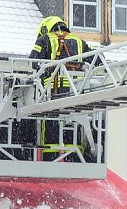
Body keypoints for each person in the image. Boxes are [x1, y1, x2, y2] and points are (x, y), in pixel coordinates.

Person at [28, 16, 97, 161]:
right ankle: (74, 160)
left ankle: (50, 161)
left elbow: (33, 61)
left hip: (52, 94)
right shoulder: (79, 41)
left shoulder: (44, 40)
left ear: (46, 28)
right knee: (74, 128)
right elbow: (98, 59)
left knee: (50, 132)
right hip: (75, 94)